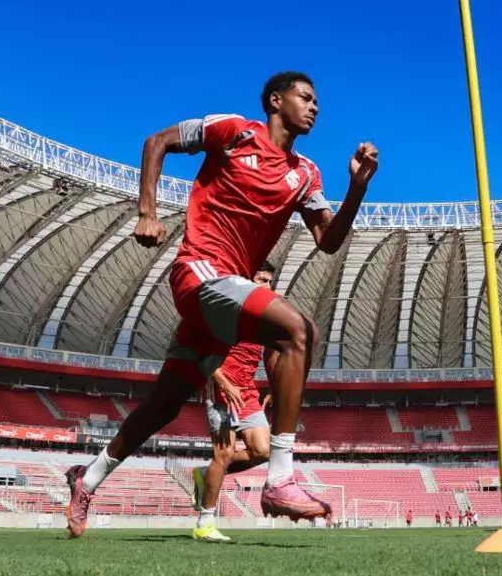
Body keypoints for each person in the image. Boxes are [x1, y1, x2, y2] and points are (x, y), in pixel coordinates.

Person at [64, 72, 378, 537]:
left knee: (163, 407)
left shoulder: (305, 174)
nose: (315, 107)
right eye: (306, 98)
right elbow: (157, 142)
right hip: (200, 271)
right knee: (299, 330)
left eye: (317, 102)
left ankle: (86, 480)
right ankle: (280, 477)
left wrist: (356, 190)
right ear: (277, 100)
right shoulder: (234, 131)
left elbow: (328, 240)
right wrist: (147, 211)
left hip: (224, 301)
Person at [191, 262, 278, 543]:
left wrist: (274, 388)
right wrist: (223, 382)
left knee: (263, 450)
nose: (268, 286)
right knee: (224, 455)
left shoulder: (265, 318)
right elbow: (202, 353)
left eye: (270, 281)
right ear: (247, 281)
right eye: (262, 280)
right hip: (221, 388)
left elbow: (270, 355)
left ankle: (205, 474)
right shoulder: (226, 310)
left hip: (247, 392)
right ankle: (205, 523)